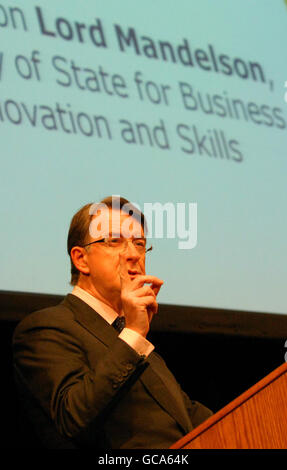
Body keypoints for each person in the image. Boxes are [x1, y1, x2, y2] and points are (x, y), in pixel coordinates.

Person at [13, 196, 212, 449]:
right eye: (115, 241)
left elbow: (188, 416)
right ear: (81, 259)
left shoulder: (129, 335)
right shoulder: (46, 328)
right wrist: (133, 333)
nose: (133, 255)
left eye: (139, 244)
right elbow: (72, 417)